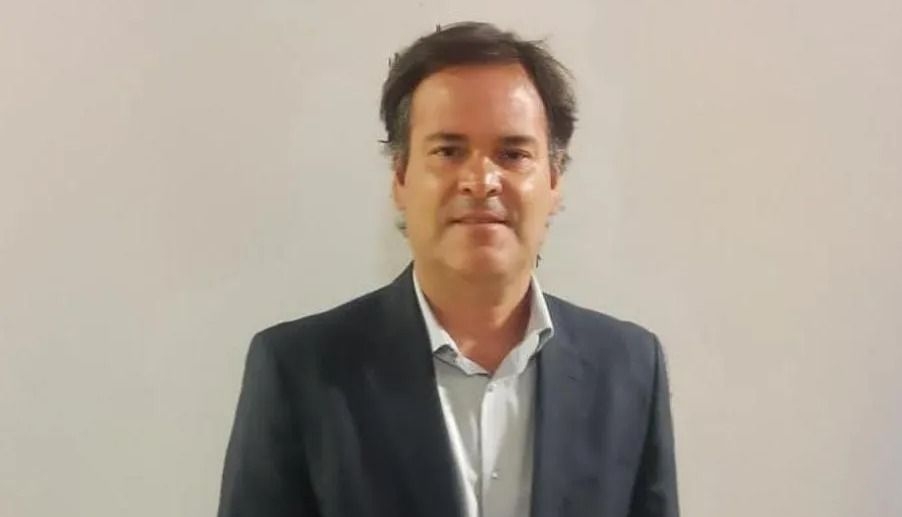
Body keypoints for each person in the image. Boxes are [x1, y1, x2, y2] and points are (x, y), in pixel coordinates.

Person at [217, 21, 679, 517]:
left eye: (512, 153)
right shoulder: (301, 372)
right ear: (400, 177)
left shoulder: (629, 369)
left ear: (554, 179)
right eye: (449, 151)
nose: (481, 181)